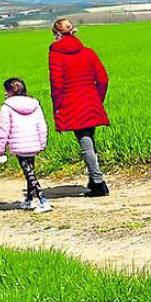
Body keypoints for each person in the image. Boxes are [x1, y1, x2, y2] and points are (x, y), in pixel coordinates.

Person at [48, 18, 111, 197]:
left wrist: (58, 107)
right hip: (90, 101)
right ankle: (93, 179)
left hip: (72, 104)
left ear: (56, 34)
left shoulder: (55, 55)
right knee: (89, 141)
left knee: (85, 144)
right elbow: (103, 79)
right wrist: (97, 99)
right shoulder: (88, 52)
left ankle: (98, 184)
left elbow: (57, 84)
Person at [0, 77, 52, 213]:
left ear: (11, 92)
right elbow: (42, 126)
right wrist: (42, 143)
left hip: (18, 145)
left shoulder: (6, 107)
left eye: (6, 90)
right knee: (29, 171)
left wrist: (0, 150)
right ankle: (29, 200)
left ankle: (43, 200)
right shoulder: (35, 104)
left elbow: (3, 130)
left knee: (29, 173)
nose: (4, 93)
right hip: (33, 144)